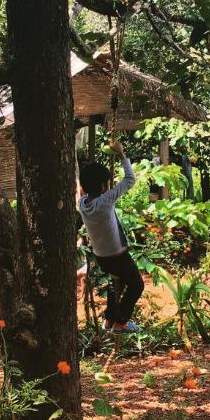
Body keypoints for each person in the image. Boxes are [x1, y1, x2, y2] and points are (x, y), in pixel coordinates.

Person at [78, 142, 143, 332]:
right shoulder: (105, 201)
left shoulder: (83, 203)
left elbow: (91, 189)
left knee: (117, 284)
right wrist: (122, 154)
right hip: (117, 255)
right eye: (106, 183)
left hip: (102, 257)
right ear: (102, 185)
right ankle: (121, 322)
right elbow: (130, 179)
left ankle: (109, 319)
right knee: (136, 285)